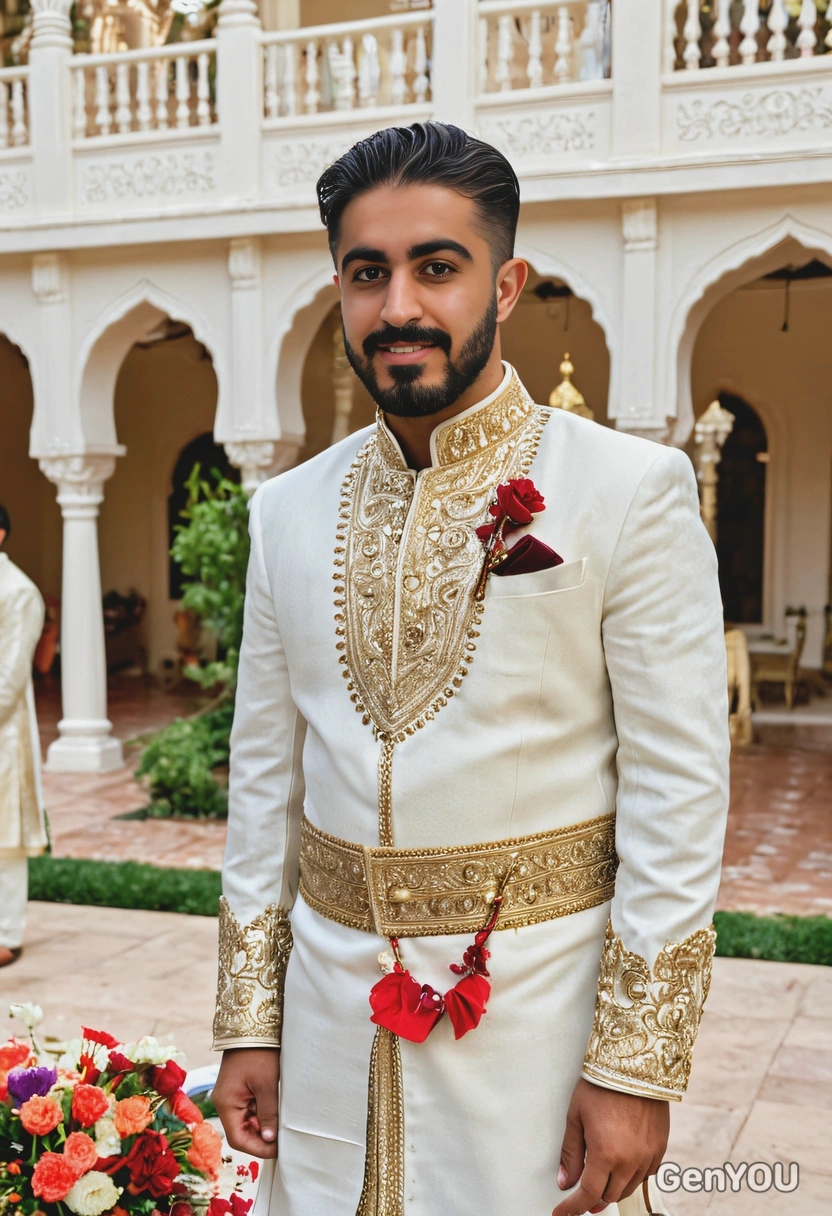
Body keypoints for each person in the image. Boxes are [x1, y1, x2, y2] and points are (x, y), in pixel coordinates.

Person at [211, 123, 730, 1216]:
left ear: (504, 284)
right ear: (341, 291)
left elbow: (677, 793)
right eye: (366, 273)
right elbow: (265, 786)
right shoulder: (285, 509)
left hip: (533, 1030)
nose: (398, 305)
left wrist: (634, 1066)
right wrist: (249, 1021)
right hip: (325, 1031)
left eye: (435, 267)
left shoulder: (626, 489)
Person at [0, 503, 48, 967]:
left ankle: (6, 934)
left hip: (3, 735)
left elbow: (9, 678)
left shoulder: (18, 593)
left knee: (5, 835)